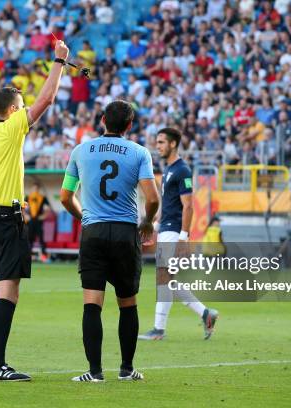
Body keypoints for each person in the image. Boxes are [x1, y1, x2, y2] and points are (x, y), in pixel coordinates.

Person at [0, 40, 70, 382]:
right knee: (9, 292)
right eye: (21, 108)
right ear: (12, 111)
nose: (26, 114)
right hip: (7, 220)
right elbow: (47, 100)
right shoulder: (11, 129)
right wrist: (59, 61)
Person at [60, 100, 160, 382]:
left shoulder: (80, 151)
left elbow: (65, 197)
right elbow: (152, 198)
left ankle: (94, 372)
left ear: (102, 119)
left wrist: (85, 218)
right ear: (130, 125)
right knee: (128, 303)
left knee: (92, 304)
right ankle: (127, 370)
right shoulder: (140, 153)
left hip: (94, 232)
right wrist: (148, 221)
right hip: (126, 233)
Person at [139, 128, 219, 342]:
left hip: (174, 233)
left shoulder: (182, 170)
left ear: (173, 144)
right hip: (166, 230)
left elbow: (188, 206)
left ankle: (158, 329)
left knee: (164, 279)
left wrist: (183, 236)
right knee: (169, 281)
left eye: (162, 142)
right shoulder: (169, 170)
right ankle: (205, 314)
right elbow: (168, 204)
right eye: (157, 142)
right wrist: (154, 227)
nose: (158, 146)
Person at [25, 182, 51, 262]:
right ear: (31, 189)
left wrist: (43, 216)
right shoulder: (27, 197)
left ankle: (44, 256)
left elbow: (47, 209)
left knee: (41, 239)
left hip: (38, 221)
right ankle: (29, 256)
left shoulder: (43, 198)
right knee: (29, 239)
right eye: (34, 188)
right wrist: (25, 216)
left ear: (38, 189)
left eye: (36, 189)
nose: (35, 190)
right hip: (30, 221)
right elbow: (22, 208)